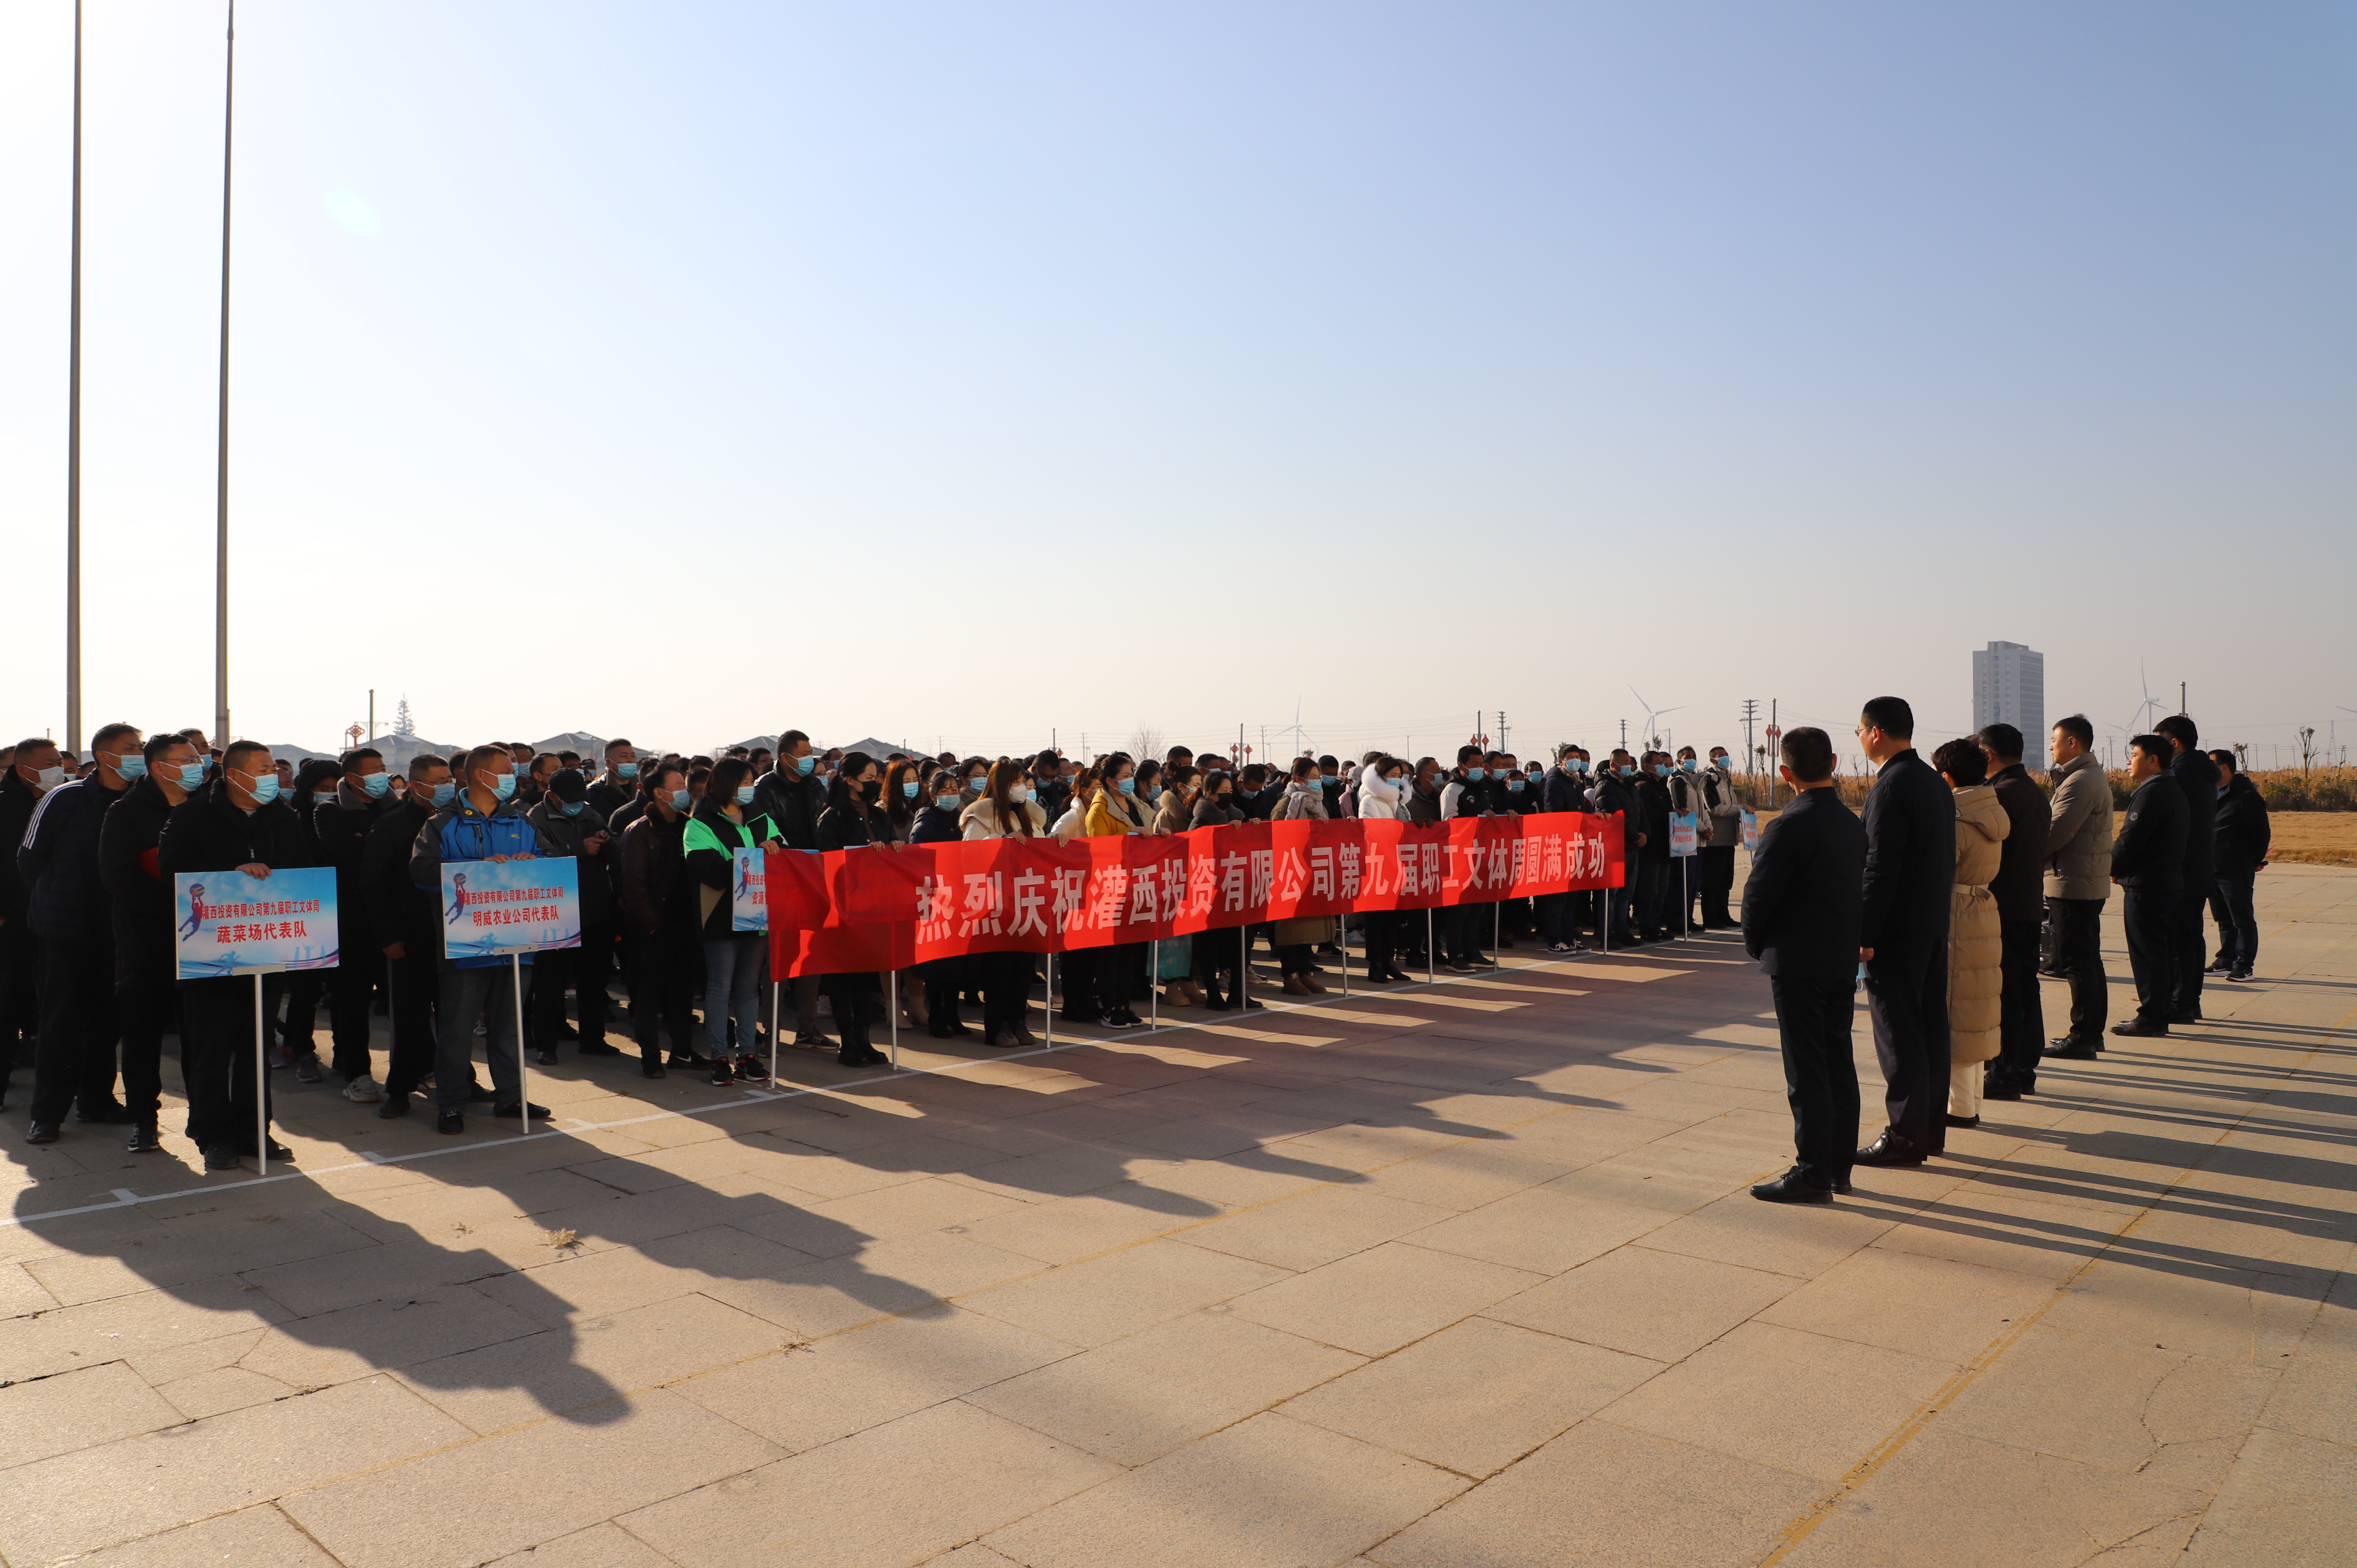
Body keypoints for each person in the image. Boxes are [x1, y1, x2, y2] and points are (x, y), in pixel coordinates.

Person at [157, 741, 307, 1170]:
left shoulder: (284, 816)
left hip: (267, 947)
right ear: (236, 775)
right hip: (212, 950)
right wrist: (233, 874)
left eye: (272, 769)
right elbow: (171, 868)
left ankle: (254, 1130)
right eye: (263, 769)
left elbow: (304, 871)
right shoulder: (193, 814)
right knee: (211, 1048)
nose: (273, 776)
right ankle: (213, 1134)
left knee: (256, 1047)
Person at [1742, 727, 1865, 1203]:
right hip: (1839, 957)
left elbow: (1758, 896)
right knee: (1838, 1063)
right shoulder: (1851, 822)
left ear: (1785, 772)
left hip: (1798, 961)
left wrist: (1758, 945)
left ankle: (1812, 1173)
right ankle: (1838, 1167)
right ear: (1834, 763)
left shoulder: (1788, 825)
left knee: (1807, 1071)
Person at [409, 744, 551, 1134]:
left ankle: (511, 1097)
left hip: (517, 941)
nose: (513, 776)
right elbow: (421, 871)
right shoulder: (443, 823)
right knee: (457, 1030)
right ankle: (451, 1103)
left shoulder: (520, 820)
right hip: (466, 945)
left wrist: (534, 864)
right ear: (480, 776)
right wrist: (475, 870)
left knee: (510, 1028)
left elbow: (553, 862)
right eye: (505, 770)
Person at [18, 723, 139, 1143]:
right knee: (59, 1023)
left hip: (120, 931)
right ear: (104, 756)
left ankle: (96, 1101)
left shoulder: (140, 800)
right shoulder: (64, 798)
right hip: (67, 931)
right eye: (130, 748)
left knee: (107, 1022)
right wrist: (57, 901)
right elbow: (29, 859)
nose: (138, 755)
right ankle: (47, 1114)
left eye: (140, 747)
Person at [1854, 696, 1955, 1167]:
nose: (1860, 738)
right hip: (1931, 924)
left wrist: (1864, 932)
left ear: (1876, 733)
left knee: (1899, 1034)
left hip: (1897, 932)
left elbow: (1879, 867)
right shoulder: (1933, 781)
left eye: (1860, 730)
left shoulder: (1892, 786)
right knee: (1930, 1030)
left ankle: (1905, 1137)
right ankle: (1928, 1130)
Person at [98, 732, 203, 1152]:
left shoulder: (208, 807)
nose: (197, 766)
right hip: (147, 939)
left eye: (198, 759)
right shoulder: (126, 812)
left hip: (205, 940)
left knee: (203, 1034)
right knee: (143, 1036)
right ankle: (144, 1117)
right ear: (160, 767)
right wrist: (176, 907)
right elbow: (118, 876)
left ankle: (207, 1119)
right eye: (187, 760)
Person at [364, 753, 452, 1116]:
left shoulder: (456, 820)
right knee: (409, 1014)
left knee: (453, 1014)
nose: (448, 787)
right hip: (410, 934)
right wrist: (388, 936)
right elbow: (374, 883)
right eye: (440, 782)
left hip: (452, 932)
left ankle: (457, 1078)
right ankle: (400, 1089)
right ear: (416, 785)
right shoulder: (392, 824)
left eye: (450, 780)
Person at [683, 758, 779, 1084]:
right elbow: (708, 871)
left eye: (752, 781)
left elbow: (784, 855)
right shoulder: (700, 825)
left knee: (749, 988)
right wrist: (754, 858)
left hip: (758, 914)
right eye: (745, 782)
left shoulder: (761, 819)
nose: (751, 787)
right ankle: (719, 1056)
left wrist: (773, 851)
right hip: (720, 917)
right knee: (720, 988)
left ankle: (748, 1054)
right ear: (726, 784)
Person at [1933, 740, 2009, 1130]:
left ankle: (1960, 1108)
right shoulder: (1989, 809)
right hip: (1982, 909)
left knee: (1957, 1012)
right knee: (1974, 1012)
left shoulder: (1956, 818)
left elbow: (1938, 871)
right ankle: (1971, 1100)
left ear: (1946, 777)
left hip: (1957, 914)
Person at [526, 769, 623, 1066]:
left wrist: (606, 842)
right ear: (552, 796)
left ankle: (593, 1039)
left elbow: (615, 855)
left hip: (595, 909)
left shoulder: (590, 814)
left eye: (580, 799)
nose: (576, 805)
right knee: (550, 985)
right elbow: (536, 861)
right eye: (570, 800)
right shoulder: (535, 819)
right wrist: (579, 849)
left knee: (593, 981)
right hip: (556, 913)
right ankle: (546, 1045)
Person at [1974, 723, 2050, 1101]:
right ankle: (2023, 1070)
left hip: (2002, 907)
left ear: (1988, 755)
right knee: (2025, 989)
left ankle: (2005, 1072)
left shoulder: (1999, 795)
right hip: (2028, 903)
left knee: (2004, 992)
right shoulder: (2033, 791)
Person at [314, 747, 395, 1099]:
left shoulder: (397, 808)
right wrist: (382, 846)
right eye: (374, 770)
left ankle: (417, 1066)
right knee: (352, 1001)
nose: (382, 775)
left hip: (393, 917)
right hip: (350, 920)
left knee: (404, 1000)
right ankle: (356, 1072)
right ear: (352, 778)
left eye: (383, 768)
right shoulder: (329, 811)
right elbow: (350, 853)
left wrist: (369, 843)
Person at [616, 763, 701, 1076]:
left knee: (683, 993)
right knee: (649, 994)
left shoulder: (691, 826)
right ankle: (650, 1057)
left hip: (687, 922)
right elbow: (634, 886)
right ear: (659, 793)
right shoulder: (639, 831)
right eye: (678, 786)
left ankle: (682, 1051)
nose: (685, 791)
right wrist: (654, 925)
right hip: (652, 926)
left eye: (684, 785)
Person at [960, 759, 1049, 1047]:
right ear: (1001, 785)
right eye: (1015, 783)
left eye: (1023, 782)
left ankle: (1018, 1023)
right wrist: (1001, 840)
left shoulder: (1031, 816)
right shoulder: (981, 815)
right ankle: (997, 1027)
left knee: (1023, 968)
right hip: (996, 904)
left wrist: (1057, 842)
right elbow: (968, 856)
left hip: (1027, 901)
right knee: (1000, 969)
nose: (1022, 788)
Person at [2040, 715, 2114, 1060]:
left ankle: (2083, 1036)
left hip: (2073, 883)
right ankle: (2091, 1033)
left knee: (2077, 962)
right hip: (2080, 880)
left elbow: (2054, 835)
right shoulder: (2083, 777)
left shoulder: (2081, 781)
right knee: (2087, 960)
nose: (2051, 747)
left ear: (2072, 743)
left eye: (2054, 741)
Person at [750, 729, 829, 1048]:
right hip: (782, 878)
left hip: (815, 876)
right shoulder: (763, 789)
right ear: (785, 757)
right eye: (805, 753)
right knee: (779, 959)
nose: (810, 759)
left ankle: (808, 1028)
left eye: (811, 753)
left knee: (812, 956)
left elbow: (824, 824)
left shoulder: (815, 785)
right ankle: (772, 1030)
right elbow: (762, 832)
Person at [815, 752, 894, 1067]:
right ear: (849, 780)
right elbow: (827, 864)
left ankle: (864, 1039)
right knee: (843, 980)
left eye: (877, 778)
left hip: (874, 909)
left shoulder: (880, 816)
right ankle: (847, 1042)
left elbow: (892, 855)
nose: (874, 783)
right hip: (843, 911)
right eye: (869, 778)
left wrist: (895, 850)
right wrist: (862, 855)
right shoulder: (832, 818)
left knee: (865, 979)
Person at [2110, 734, 2189, 1039]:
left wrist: (2111, 868)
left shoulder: (2152, 793)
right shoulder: (2173, 789)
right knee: (2161, 953)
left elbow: (2130, 840)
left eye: (2134, 755)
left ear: (2153, 760)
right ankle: (2159, 1011)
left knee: (2147, 955)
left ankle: (2152, 1017)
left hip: (2148, 887)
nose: (2129, 761)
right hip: (2168, 883)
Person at [275, 757, 345, 1079]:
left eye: (335, 788)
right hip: (306, 917)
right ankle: (300, 1047)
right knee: (306, 988)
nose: (329, 794)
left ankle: (345, 1052)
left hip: (343, 912)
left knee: (343, 990)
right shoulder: (289, 823)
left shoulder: (344, 818)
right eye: (323, 789)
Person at [1067, 755, 1151, 1026]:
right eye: (1125, 776)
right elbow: (1101, 847)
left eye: (1131, 774)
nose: (1130, 780)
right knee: (1110, 952)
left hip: (1135, 884)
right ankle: (1109, 1006)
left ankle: (1124, 1004)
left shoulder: (1135, 804)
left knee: (1129, 950)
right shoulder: (1099, 809)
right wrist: (1132, 836)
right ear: (1110, 781)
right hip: (1110, 886)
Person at [0, 738, 56, 1103]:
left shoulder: (57, 801)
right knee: (6, 1001)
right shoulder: (5, 805)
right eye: (50, 764)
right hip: (11, 921)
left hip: (50, 918)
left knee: (48, 999)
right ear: (24, 769)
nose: (59, 769)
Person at [2154, 714, 2216, 1024]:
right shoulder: (2203, 771)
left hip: (2180, 868)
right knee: (2191, 937)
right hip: (2197, 866)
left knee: (2178, 939)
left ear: (2174, 743)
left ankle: (2180, 1003)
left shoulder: (2180, 774)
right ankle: (2190, 1002)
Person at [1189, 769, 1258, 1008]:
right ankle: (1213, 993)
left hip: (1234, 889)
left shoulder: (1237, 816)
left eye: (1230, 790)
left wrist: (1251, 829)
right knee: (1210, 944)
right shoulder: (1201, 820)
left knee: (1242, 941)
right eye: (1223, 791)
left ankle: (1238, 991)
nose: (1228, 794)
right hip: (1209, 892)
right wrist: (1225, 832)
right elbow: (1196, 854)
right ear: (1210, 794)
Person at [2206, 751, 2269, 982]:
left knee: (2242, 920)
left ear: (2224, 768)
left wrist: (2254, 860)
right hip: (2212, 867)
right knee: (2223, 919)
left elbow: (2261, 833)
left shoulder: (2246, 796)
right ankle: (2226, 960)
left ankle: (2244, 966)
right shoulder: (2210, 793)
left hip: (2235, 868)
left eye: (2210, 765)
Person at [1271, 757, 1331, 996]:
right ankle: (1290, 976)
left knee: (1309, 929)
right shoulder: (1287, 804)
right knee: (1292, 929)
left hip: (1314, 873)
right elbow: (1277, 837)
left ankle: (1306, 972)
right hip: (1292, 874)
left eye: (1318, 777)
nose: (1317, 781)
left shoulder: (1319, 804)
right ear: (1298, 779)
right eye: (1313, 777)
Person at [1355, 757, 1415, 983]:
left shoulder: (1398, 802)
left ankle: (1389, 960)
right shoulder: (1370, 800)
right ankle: (1375, 964)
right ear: (1380, 777)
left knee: (1393, 918)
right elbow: (1369, 831)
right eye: (1392, 776)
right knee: (1377, 919)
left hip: (1397, 866)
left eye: (1399, 776)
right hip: (1379, 867)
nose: (1397, 780)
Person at [1592, 750, 1643, 946]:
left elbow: (1641, 813)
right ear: (1613, 765)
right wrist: (1636, 837)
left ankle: (1623, 931)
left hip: (1632, 848)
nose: (1629, 766)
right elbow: (1614, 816)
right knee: (1610, 896)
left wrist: (1645, 833)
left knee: (1626, 894)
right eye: (1625, 762)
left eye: (1630, 762)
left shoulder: (1630, 785)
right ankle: (1607, 933)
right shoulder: (1605, 786)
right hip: (1615, 848)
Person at [1631, 752, 1674, 943]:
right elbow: (1645, 816)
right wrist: (1668, 814)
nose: (1663, 766)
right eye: (1659, 763)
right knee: (1649, 892)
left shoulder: (1662, 787)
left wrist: (1676, 813)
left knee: (1661, 891)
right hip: (1651, 849)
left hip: (1665, 847)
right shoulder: (1643, 787)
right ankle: (1647, 928)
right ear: (1647, 766)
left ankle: (1656, 925)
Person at [1669, 747, 1713, 931]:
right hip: (1685, 839)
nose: (1692, 760)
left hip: (1699, 840)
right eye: (1687, 757)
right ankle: (1678, 921)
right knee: (1682, 883)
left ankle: (1688, 919)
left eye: (1694, 756)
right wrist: (1703, 828)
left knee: (1694, 884)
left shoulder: (1697, 782)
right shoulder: (1678, 781)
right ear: (1679, 761)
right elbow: (1684, 811)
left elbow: (1704, 809)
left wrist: (1709, 827)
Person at [1699, 744, 1743, 928]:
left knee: (1726, 881)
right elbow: (1714, 808)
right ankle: (1711, 918)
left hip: (1729, 837)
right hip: (1715, 839)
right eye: (1720, 755)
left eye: (1726, 755)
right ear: (1713, 760)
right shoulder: (1710, 779)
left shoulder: (1727, 779)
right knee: (1712, 882)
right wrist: (1740, 809)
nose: (1725, 758)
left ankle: (1724, 915)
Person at [585, 738, 640, 819]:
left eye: (633, 756)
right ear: (609, 763)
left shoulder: (644, 787)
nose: (631, 761)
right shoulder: (595, 791)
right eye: (624, 756)